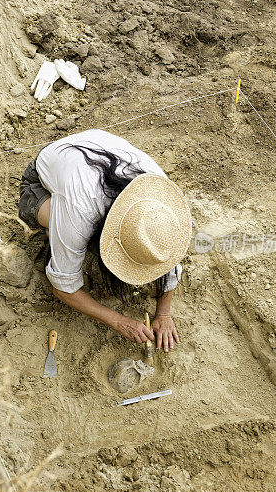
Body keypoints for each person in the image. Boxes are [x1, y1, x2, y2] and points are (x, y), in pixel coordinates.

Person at [18, 129, 192, 352]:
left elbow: (167, 257)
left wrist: (164, 313)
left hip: (94, 149)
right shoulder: (79, 213)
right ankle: (55, 231)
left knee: (86, 233)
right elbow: (63, 289)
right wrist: (119, 321)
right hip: (43, 177)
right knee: (60, 228)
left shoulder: (159, 202)